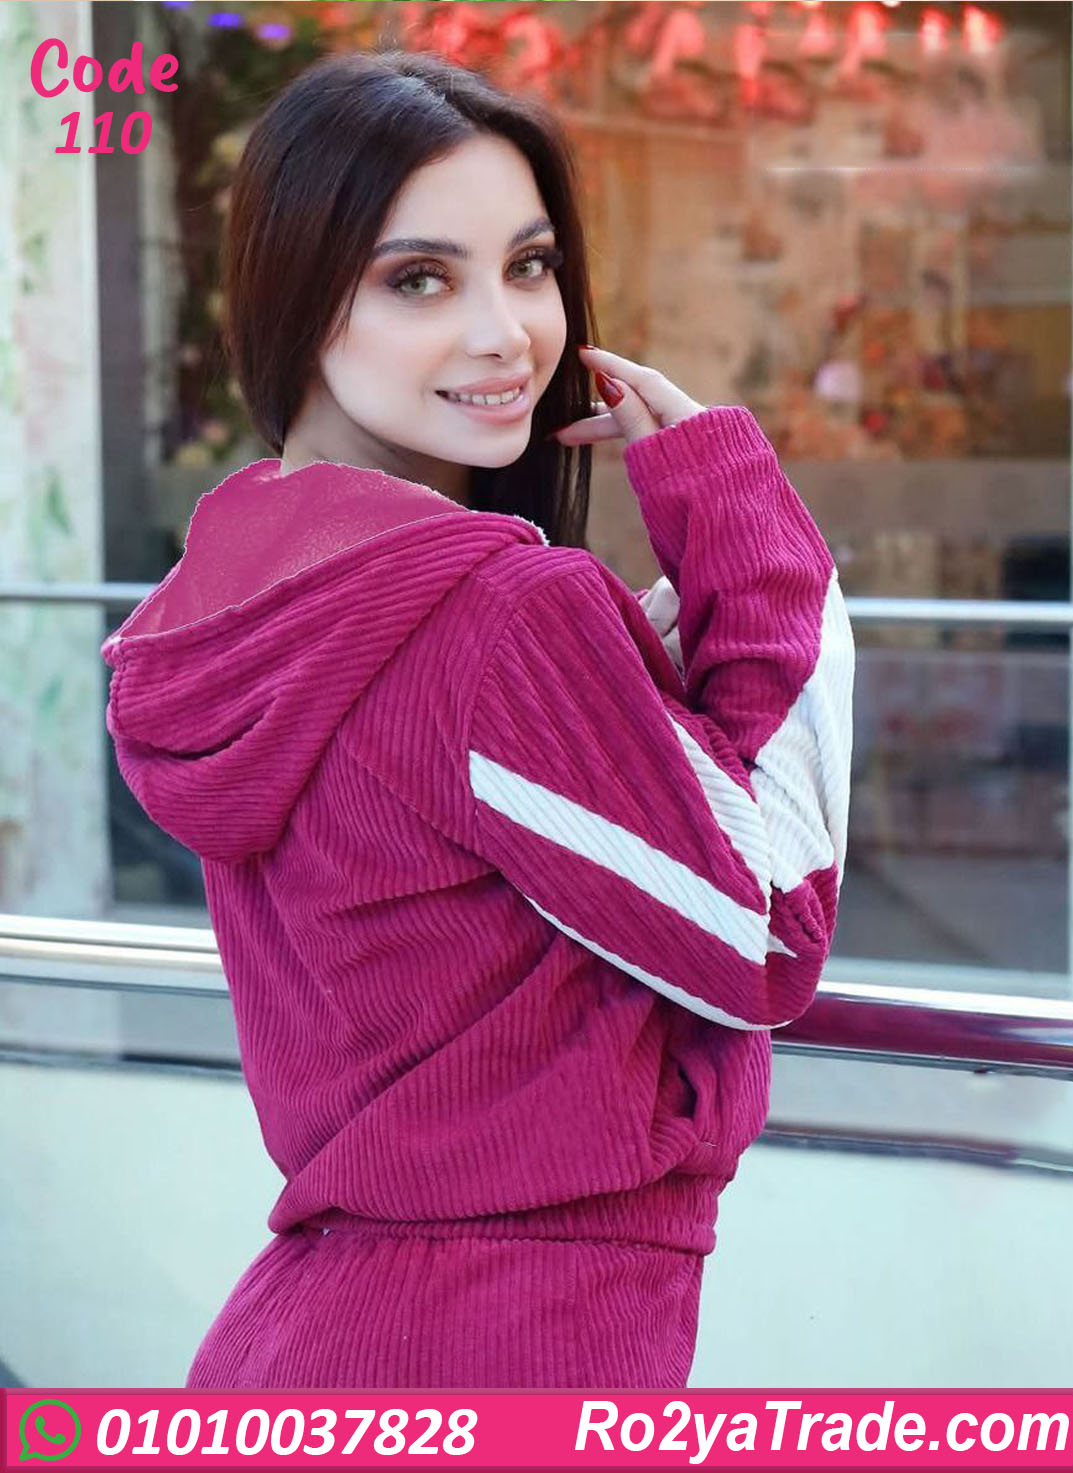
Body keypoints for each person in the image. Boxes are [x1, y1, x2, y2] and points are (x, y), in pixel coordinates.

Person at [101, 47, 855, 1390]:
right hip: (498, 1349)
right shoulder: (495, 613)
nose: (508, 334)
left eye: (530, 265)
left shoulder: (238, 593)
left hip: (332, 1336)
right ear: (296, 299)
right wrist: (753, 542)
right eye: (420, 279)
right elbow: (763, 936)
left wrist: (632, 696)